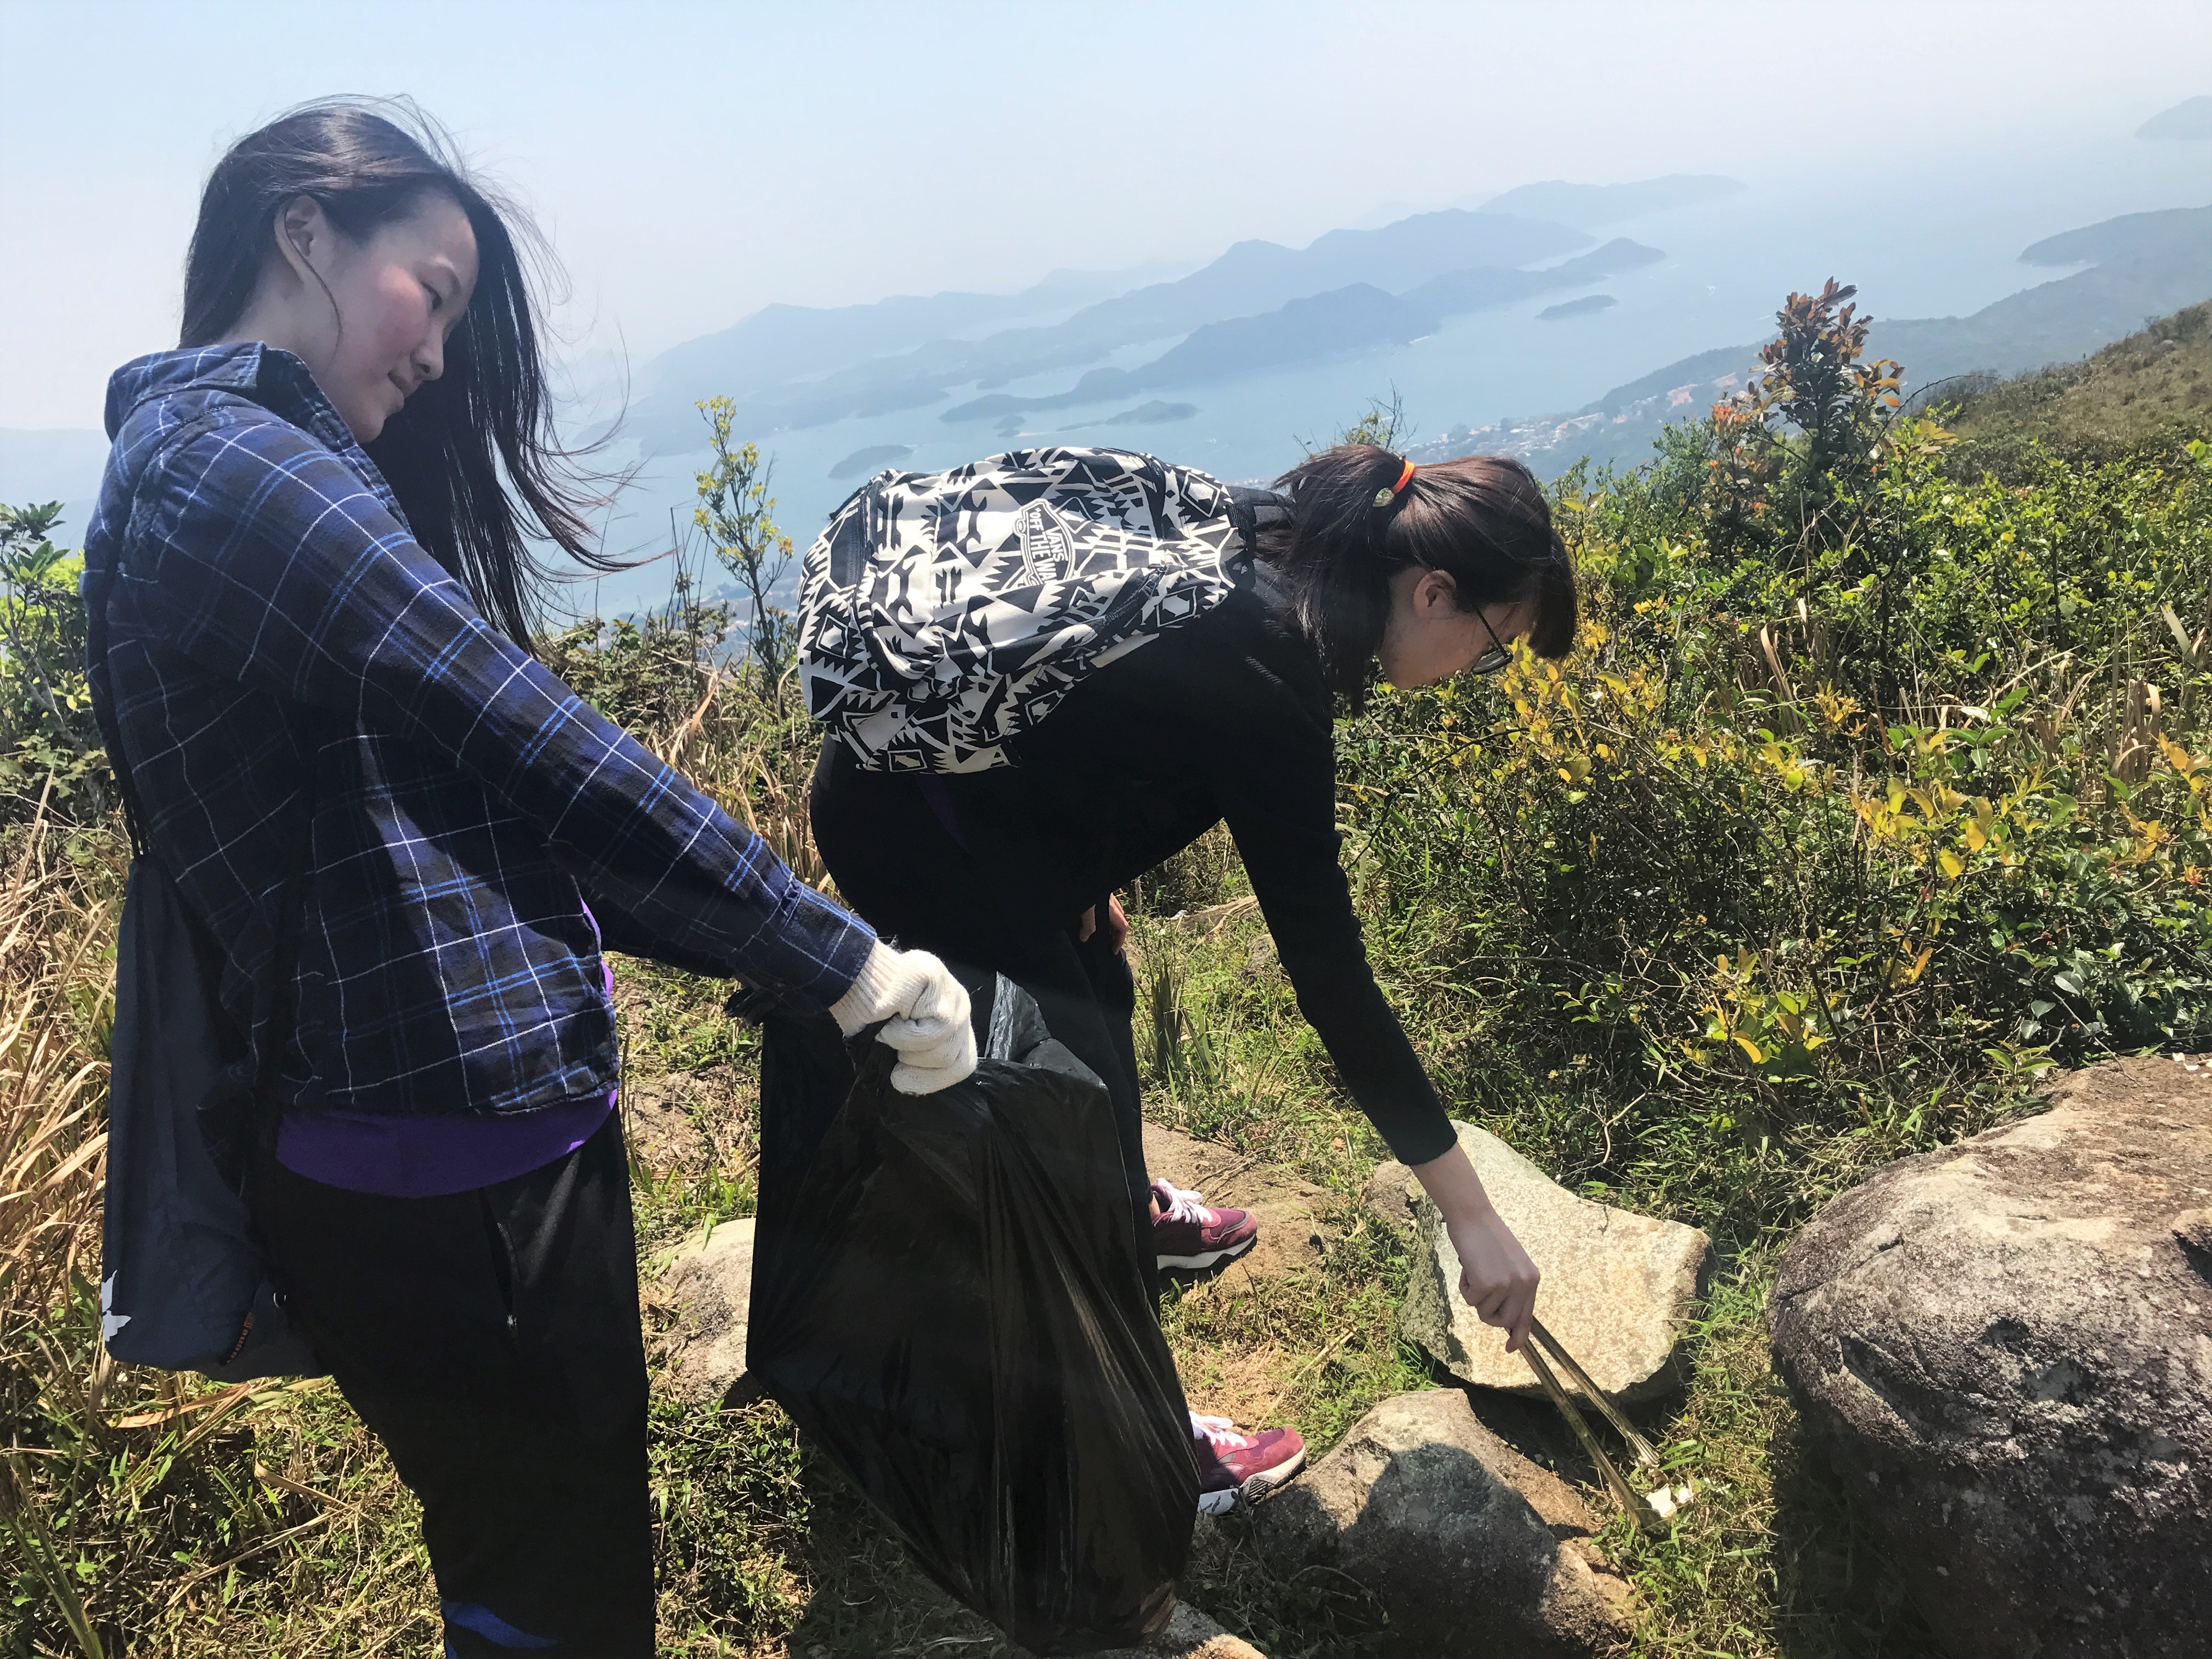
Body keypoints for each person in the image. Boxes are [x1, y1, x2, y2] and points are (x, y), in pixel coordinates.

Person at [82, 99, 973, 1659]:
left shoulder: (267, 472)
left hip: (462, 1148)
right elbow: (515, 726)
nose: (438, 352)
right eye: (432, 288)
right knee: (553, 1577)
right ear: (306, 233)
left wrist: (777, 958)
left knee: (537, 1546)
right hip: (435, 1168)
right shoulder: (221, 471)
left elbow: (490, 803)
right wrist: (843, 959)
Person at [808, 442, 1575, 1514]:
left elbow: (1104, 702)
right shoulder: (1275, 667)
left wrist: (1081, 863)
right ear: (1434, 590)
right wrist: (1471, 1218)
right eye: (1491, 649)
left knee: (1096, 993)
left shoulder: (1275, 537)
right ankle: (1142, 1445)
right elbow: (1331, 975)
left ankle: (1123, 1215)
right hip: (920, 830)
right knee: (1067, 1103)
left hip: (961, 800)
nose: (1470, 676)